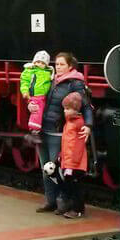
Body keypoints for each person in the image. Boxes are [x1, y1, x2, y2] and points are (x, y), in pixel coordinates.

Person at [37, 52, 93, 214]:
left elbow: (86, 105)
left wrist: (88, 125)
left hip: (58, 131)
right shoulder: (51, 80)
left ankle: (64, 201)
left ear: (70, 66)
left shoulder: (75, 83)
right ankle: (50, 200)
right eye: (57, 64)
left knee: (59, 169)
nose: (58, 67)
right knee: (46, 169)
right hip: (43, 128)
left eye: (62, 64)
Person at [56, 92, 89, 218]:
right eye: (64, 108)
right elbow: (66, 144)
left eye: (68, 109)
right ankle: (75, 208)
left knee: (76, 186)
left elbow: (76, 146)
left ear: (76, 110)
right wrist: (62, 156)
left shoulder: (76, 124)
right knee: (71, 185)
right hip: (70, 162)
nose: (65, 111)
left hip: (75, 163)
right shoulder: (69, 123)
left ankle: (77, 209)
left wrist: (71, 164)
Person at [19, 50, 53, 141]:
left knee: (42, 112)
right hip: (35, 95)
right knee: (36, 111)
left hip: (44, 96)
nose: (39, 64)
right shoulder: (30, 71)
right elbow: (24, 82)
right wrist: (25, 92)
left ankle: (40, 130)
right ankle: (34, 131)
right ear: (34, 62)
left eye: (42, 63)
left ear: (46, 64)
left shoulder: (48, 71)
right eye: (38, 62)